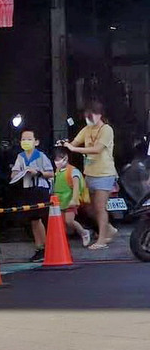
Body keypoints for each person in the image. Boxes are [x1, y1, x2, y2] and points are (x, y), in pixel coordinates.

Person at [64, 102, 118, 250]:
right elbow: (74, 142)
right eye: (86, 116)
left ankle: (102, 240)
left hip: (104, 174)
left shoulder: (106, 129)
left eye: (91, 115)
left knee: (100, 208)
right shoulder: (87, 129)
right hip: (89, 173)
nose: (88, 118)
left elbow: (97, 149)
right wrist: (66, 145)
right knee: (89, 208)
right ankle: (110, 229)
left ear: (99, 114)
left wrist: (74, 149)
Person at [11, 128, 54, 262]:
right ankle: (40, 247)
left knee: (39, 218)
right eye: (23, 139)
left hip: (40, 189)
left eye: (29, 139)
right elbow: (13, 173)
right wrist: (20, 173)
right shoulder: (20, 157)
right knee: (33, 220)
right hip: (27, 189)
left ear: (36, 142)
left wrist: (38, 172)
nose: (26, 142)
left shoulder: (41, 156)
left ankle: (45, 247)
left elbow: (51, 172)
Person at [52, 147, 92, 248]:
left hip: (70, 200)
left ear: (66, 158)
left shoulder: (73, 171)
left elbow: (76, 186)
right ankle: (62, 243)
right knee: (60, 223)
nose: (57, 162)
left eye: (59, 159)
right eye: (55, 160)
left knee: (69, 220)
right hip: (59, 201)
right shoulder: (57, 171)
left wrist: (74, 199)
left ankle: (84, 233)